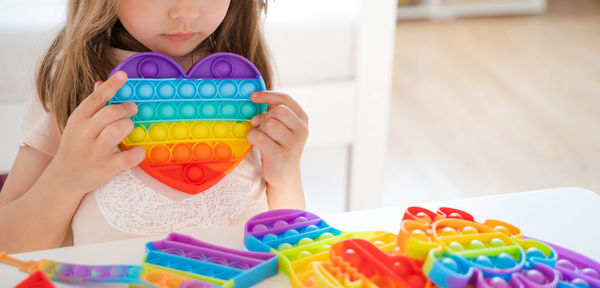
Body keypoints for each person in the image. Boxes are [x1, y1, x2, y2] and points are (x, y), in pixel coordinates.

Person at [0, 0, 308, 253]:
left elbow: (289, 245)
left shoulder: (241, 83)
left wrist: (286, 174)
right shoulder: (72, 82)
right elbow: (8, 245)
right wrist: (68, 178)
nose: (186, 12)